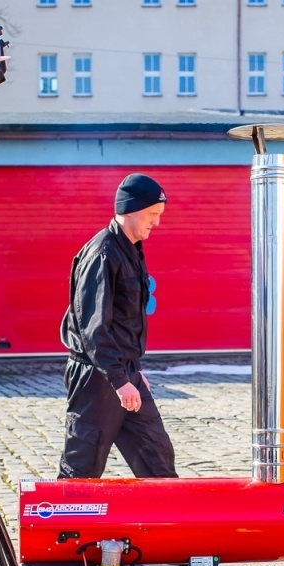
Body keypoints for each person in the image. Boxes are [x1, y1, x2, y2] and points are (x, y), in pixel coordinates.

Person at [58, 174, 178, 479]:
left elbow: (125, 321)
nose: (157, 223)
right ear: (130, 210)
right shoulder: (103, 253)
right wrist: (118, 379)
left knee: (158, 460)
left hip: (124, 372)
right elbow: (94, 328)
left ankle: (165, 510)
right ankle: (63, 511)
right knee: (82, 468)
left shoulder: (131, 249)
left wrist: (133, 372)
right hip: (97, 379)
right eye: (152, 214)